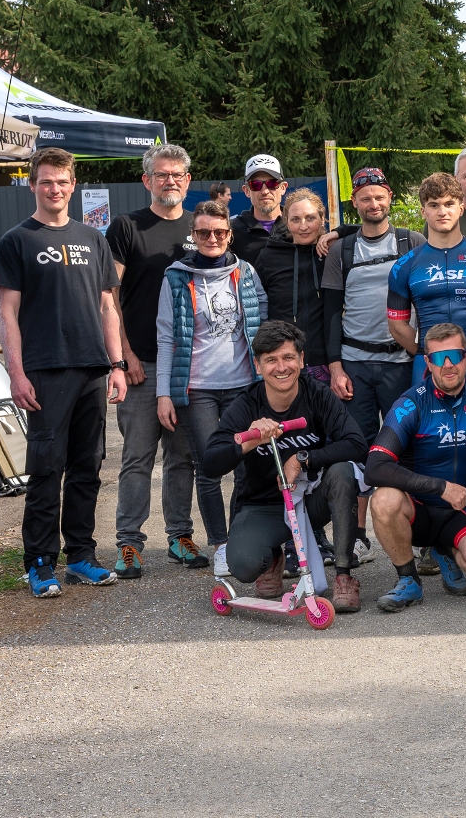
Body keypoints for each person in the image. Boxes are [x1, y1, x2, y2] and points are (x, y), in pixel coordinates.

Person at [0, 147, 129, 596]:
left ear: (74, 186)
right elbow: (7, 313)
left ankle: (81, 557)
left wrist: (117, 365)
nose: (54, 188)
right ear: (32, 185)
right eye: (46, 181)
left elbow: (108, 307)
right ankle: (39, 562)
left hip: (93, 368)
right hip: (45, 370)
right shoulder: (18, 240)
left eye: (62, 181)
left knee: (88, 467)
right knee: (47, 469)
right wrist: (16, 372)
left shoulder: (93, 239)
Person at [200, 321, 365, 613]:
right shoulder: (246, 404)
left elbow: (356, 444)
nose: (281, 367)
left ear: (301, 359)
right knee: (244, 565)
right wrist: (248, 441)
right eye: (271, 360)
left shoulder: (317, 394)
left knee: (342, 471)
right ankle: (272, 556)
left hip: (309, 500)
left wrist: (302, 459)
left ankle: (343, 574)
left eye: (288, 357)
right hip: (264, 504)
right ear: (257, 365)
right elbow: (210, 464)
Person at [365, 324, 466, 612]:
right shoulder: (411, 403)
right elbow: (375, 467)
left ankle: (444, 549)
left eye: (455, 355)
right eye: (437, 358)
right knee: (384, 499)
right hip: (417, 510)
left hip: (460, 509)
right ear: (427, 362)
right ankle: (408, 579)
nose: (447, 365)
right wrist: (440, 487)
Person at [106, 142, 205, 579]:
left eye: (177, 174)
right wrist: (124, 355)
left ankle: (180, 536)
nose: (170, 181)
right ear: (147, 180)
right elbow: (109, 297)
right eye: (161, 174)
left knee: (182, 457)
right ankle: (128, 542)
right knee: (137, 457)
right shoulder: (127, 227)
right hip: (141, 364)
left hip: (186, 365)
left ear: (188, 179)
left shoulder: (199, 228)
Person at [156, 200, 268, 577]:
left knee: (246, 468)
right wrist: (164, 394)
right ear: (193, 235)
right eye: (204, 232)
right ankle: (220, 545)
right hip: (198, 390)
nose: (212, 238)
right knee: (210, 468)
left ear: (229, 235)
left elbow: (262, 325)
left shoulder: (246, 272)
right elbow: (166, 337)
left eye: (219, 232)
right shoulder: (176, 276)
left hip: (243, 387)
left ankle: (240, 539)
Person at [322, 166, 424, 558]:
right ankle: (359, 534)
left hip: (401, 361)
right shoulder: (341, 250)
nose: (374, 203)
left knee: (409, 444)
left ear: (390, 197)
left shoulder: (411, 241)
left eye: (379, 197)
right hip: (355, 363)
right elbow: (331, 312)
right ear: (355, 203)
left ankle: (421, 531)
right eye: (365, 198)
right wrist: (335, 367)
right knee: (359, 447)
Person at [388, 172, 466, 382]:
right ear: (423, 211)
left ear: (461, 209)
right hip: (428, 366)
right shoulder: (404, 266)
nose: (442, 212)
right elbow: (397, 326)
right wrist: (428, 354)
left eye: (449, 204)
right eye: (434, 205)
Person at [253, 189, 332, 385]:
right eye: (295, 219)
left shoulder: (333, 254)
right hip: (283, 361)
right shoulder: (269, 256)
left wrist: (338, 232)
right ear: (286, 221)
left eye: (310, 218)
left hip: (327, 361)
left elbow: (365, 230)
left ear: (322, 219)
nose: (303, 226)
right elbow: (255, 307)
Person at [230, 154, 288, 262]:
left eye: (272, 183)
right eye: (256, 184)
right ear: (247, 191)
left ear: (283, 188)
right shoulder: (231, 230)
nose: (265, 191)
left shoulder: (299, 225)